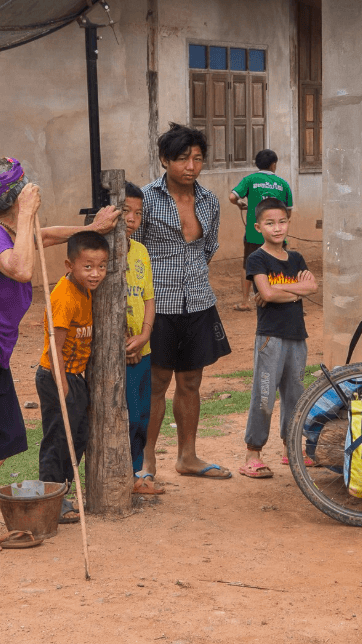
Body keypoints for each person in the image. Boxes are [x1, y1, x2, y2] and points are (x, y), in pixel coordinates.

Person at [0, 157, 116, 556]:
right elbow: (22, 269)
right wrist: (27, 213)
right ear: (18, 198)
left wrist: (91, 230)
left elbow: (44, 236)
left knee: (5, 434)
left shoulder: (10, 232)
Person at [133, 123, 233, 480]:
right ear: (165, 159)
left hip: (199, 301)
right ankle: (146, 461)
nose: (191, 167)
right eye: (182, 159)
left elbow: (208, 248)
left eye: (198, 159)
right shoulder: (146, 199)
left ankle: (187, 457)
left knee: (191, 382)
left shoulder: (209, 201)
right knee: (156, 383)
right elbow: (134, 249)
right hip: (157, 306)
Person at [239, 198, 318, 478]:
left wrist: (278, 291)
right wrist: (295, 290)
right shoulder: (257, 259)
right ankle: (253, 454)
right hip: (270, 338)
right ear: (258, 227)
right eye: (270, 223)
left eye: (282, 222)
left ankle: (290, 449)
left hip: (297, 336)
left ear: (288, 223)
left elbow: (312, 287)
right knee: (264, 395)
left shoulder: (296, 259)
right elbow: (267, 294)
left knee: (295, 395)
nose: (277, 228)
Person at [36, 231, 110, 523]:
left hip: (76, 377)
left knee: (77, 437)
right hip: (57, 377)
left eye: (101, 266)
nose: (95, 273)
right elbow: (55, 348)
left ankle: (63, 493)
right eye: (88, 266)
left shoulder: (86, 289)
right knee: (58, 438)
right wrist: (64, 387)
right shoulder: (64, 297)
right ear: (70, 265)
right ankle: (50, 497)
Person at [122, 182, 163, 497]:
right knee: (125, 416)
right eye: (126, 211)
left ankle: (136, 474)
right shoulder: (100, 253)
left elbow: (148, 298)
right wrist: (124, 343)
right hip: (118, 355)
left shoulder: (141, 251)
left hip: (143, 349)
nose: (132, 219)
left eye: (138, 213)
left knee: (142, 417)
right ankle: (119, 474)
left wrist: (145, 333)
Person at [229, 149, 294, 312]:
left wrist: (240, 203)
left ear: (257, 164)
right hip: (277, 234)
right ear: (273, 165)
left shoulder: (250, 179)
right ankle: (286, 299)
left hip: (254, 233)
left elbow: (232, 197)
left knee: (248, 265)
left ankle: (245, 301)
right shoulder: (283, 183)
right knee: (281, 265)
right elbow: (289, 212)